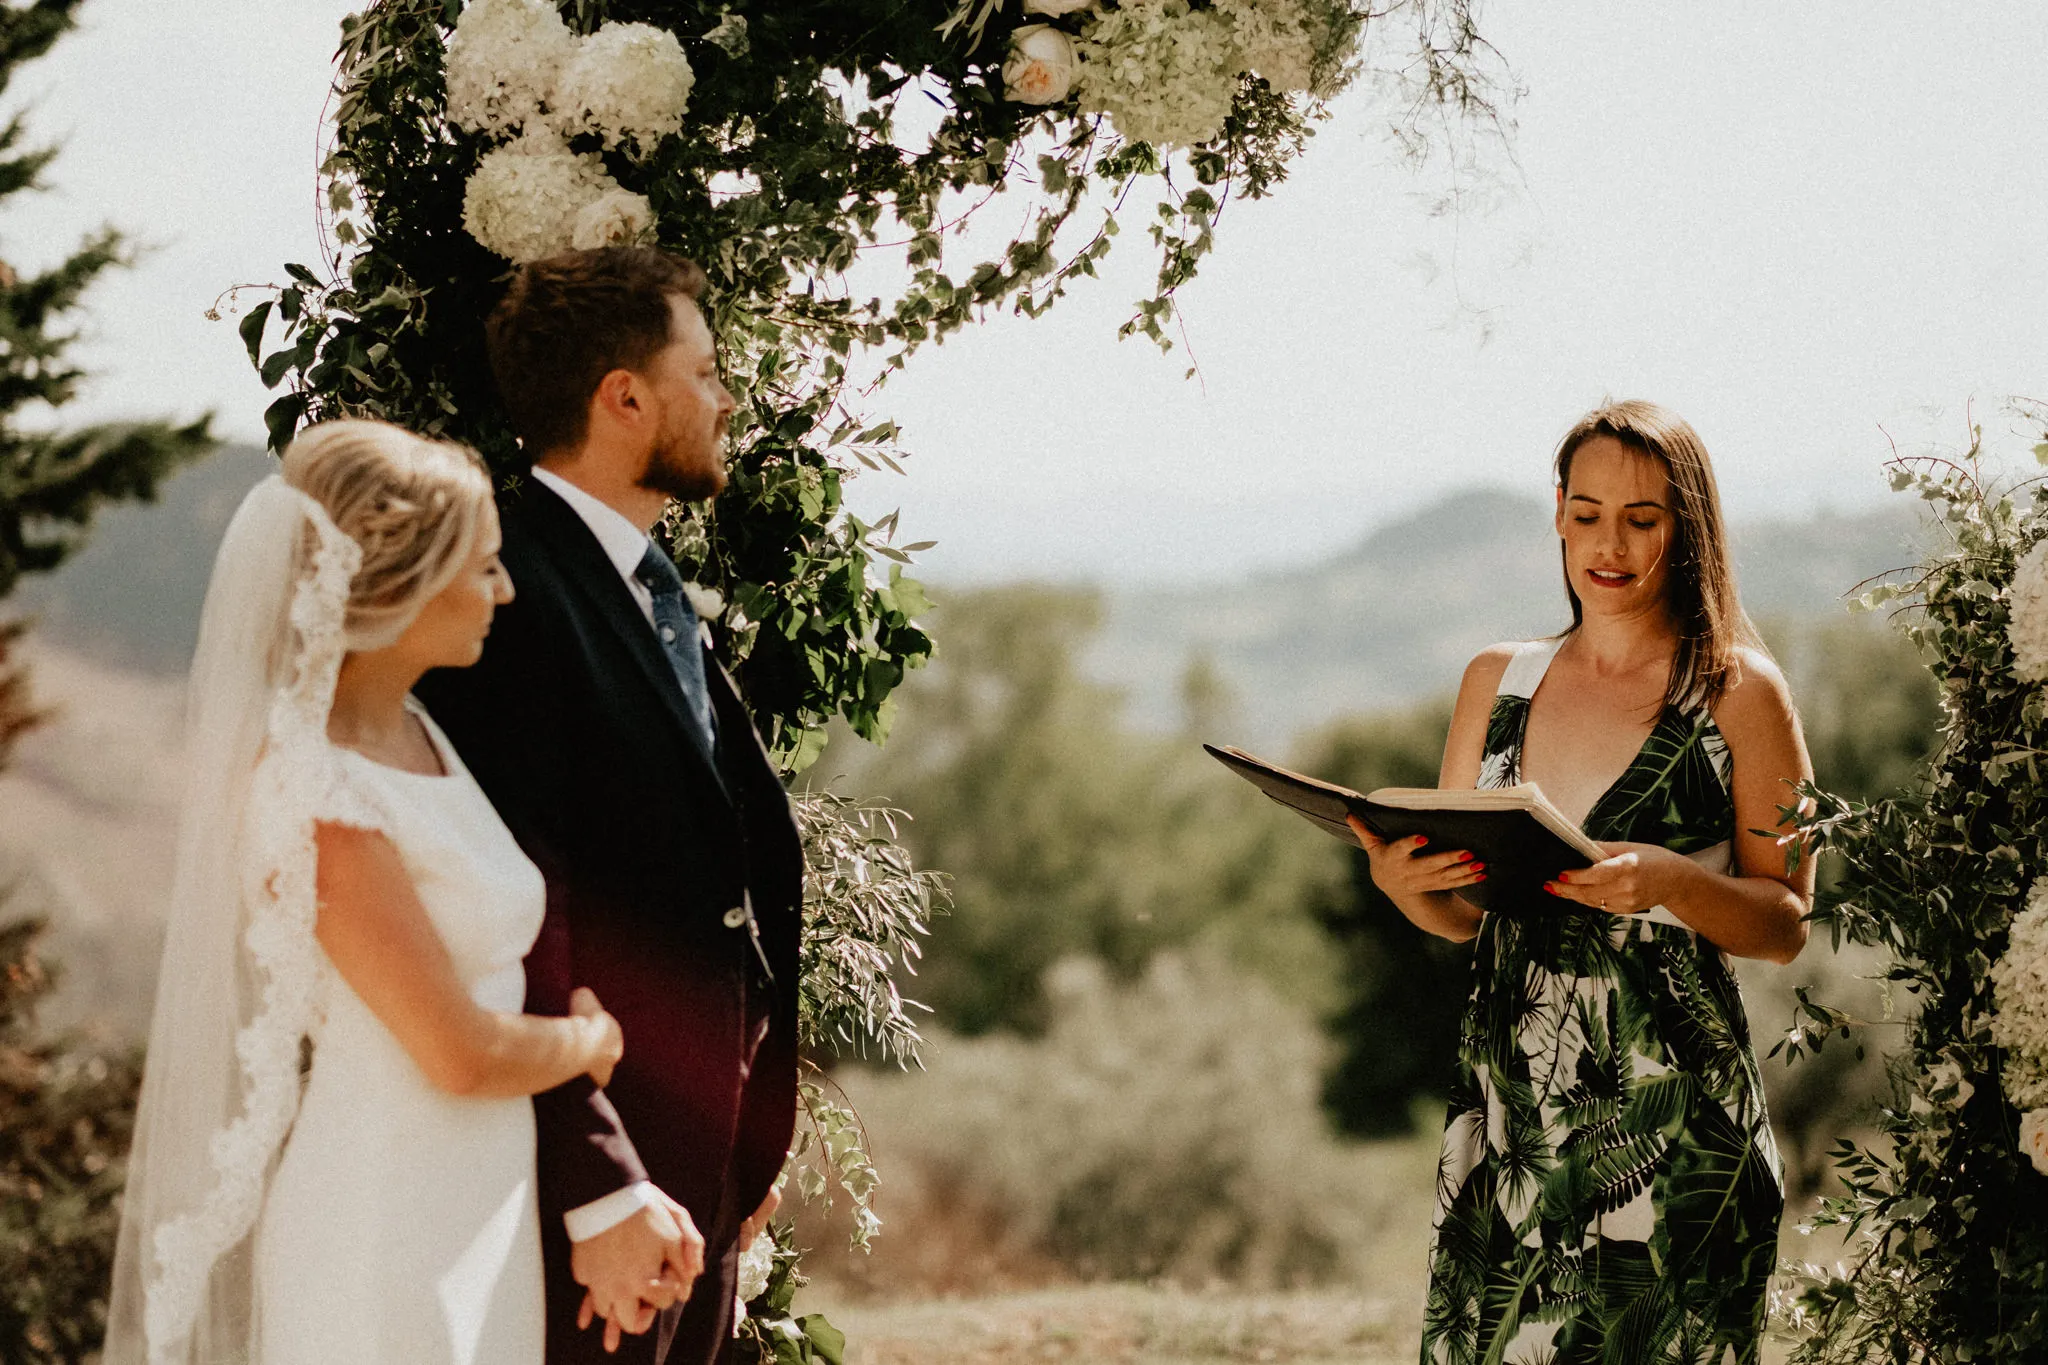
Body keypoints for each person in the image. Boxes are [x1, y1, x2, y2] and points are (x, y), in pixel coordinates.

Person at [105, 419, 627, 1365]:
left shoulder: (421, 728)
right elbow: (458, 1052)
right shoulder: (315, 790)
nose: (504, 590)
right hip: (386, 1218)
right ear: (401, 587)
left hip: (480, 1197)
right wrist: (593, 1042)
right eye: (483, 567)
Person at [1351, 400, 1810, 1364]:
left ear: (1687, 527)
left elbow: (1784, 921)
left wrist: (1676, 882)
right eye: (1589, 511)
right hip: (1513, 1116)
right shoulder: (1496, 680)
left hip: (1678, 1128)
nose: (1611, 543)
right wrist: (1404, 884)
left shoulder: (1739, 692)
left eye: (1643, 518)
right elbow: (1465, 913)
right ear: (1557, 511)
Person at [413, 245, 802, 1365]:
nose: (726, 399)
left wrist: (741, 1149)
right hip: (601, 1203)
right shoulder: (507, 599)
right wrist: (598, 1183)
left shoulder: (649, 592)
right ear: (625, 397)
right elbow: (516, 914)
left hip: (701, 1172)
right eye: (708, 371)